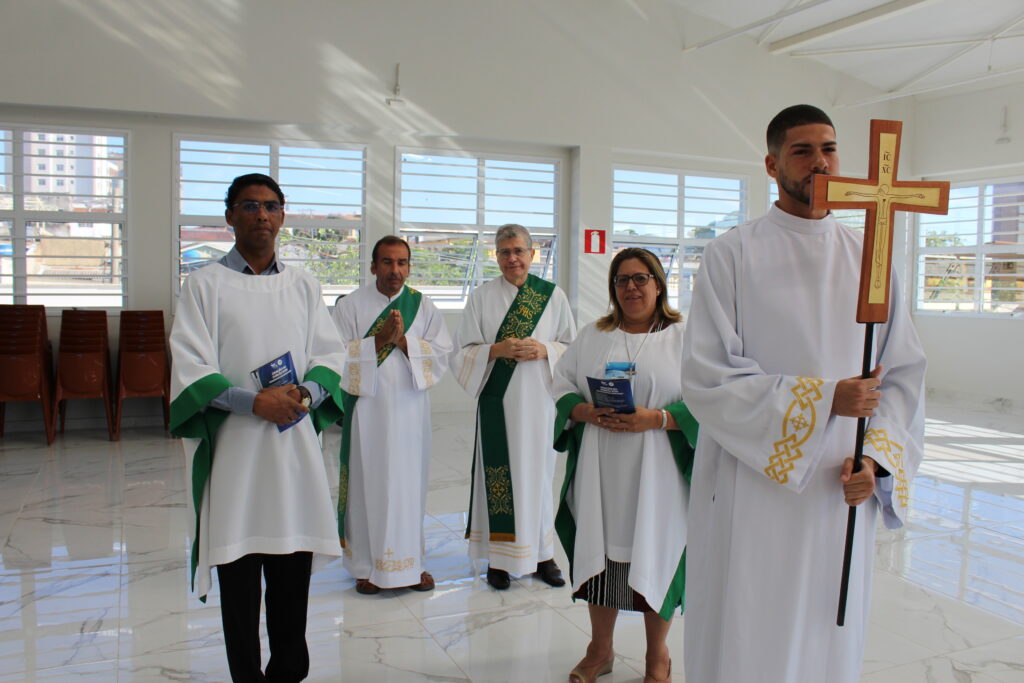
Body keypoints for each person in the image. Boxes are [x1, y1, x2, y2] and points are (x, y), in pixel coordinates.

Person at [680, 104, 927, 683]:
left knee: (827, 630)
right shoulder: (733, 254)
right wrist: (823, 402)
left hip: (840, 485)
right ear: (772, 164)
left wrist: (877, 460)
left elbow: (904, 375)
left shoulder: (872, 259)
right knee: (751, 624)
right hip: (757, 482)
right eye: (802, 150)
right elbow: (709, 377)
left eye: (830, 149)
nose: (821, 162)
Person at [169, 173, 345, 682]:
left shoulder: (304, 284)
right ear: (229, 216)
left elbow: (329, 356)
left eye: (270, 206)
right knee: (240, 587)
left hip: (292, 452)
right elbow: (191, 369)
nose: (261, 215)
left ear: (283, 217)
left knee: (291, 583)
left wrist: (306, 394)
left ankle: (288, 672)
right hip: (236, 455)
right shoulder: (203, 285)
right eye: (249, 206)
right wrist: (253, 403)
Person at [551, 248, 698, 683]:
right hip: (602, 470)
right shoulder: (595, 335)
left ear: (658, 283)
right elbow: (561, 382)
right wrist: (583, 412)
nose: (631, 287)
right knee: (601, 551)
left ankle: (658, 656)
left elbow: (712, 399)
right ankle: (600, 649)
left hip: (659, 473)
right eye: (621, 280)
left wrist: (659, 418)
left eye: (640, 278)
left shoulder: (685, 337)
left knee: (655, 552)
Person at [451, 224, 577, 590]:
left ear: (532, 254)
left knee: (538, 477)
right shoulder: (481, 297)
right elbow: (461, 353)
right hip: (499, 405)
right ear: (496, 255)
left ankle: (542, 554)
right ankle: (500, 560)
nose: (512, 259)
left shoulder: (553, 297)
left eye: (519, 251)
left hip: (540, 403)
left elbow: (572, 346)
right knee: (499, 478)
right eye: (504, 252)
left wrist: (545, 350)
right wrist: (496, 350)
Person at [332, 235, 452, 594]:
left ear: (409, 267)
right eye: (386, 262)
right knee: (369, 485)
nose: (394, 270)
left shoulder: (423, 306)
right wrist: (378, 341)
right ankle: (366, 566)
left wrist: (403, 342)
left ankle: (411, 564)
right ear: (372, 266)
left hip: (410, 412)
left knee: (408, 486)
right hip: (367, 413)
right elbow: (332, 357)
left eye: (402, 263)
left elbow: (443, 353)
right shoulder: (350, 306)